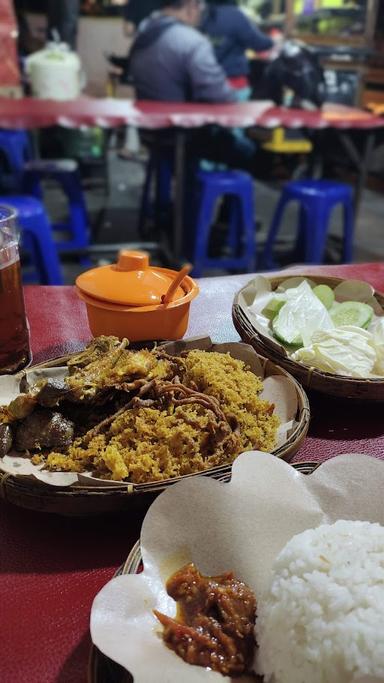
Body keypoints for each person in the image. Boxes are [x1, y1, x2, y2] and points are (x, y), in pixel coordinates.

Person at [200, 0, 274, 99]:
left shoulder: (202, 14)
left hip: (204, 83)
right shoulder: (234, 15)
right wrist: (273, 41)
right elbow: (260, 43)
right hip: (233, 82)